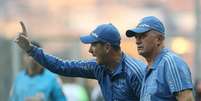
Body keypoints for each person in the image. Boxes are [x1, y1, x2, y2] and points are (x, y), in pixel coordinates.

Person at [14, 21, 146, 101]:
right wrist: (31, 49)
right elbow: (62, 66)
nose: (90, 50)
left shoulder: (135, 72)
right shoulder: (98, 67)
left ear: (107, 47)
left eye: (94, 45)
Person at [126, 16, 194, 101]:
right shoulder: (148, 69)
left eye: (143, 36)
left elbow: (187, 99)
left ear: (159, 39)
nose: (137, 41)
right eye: (136, 37)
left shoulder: (171, 62)